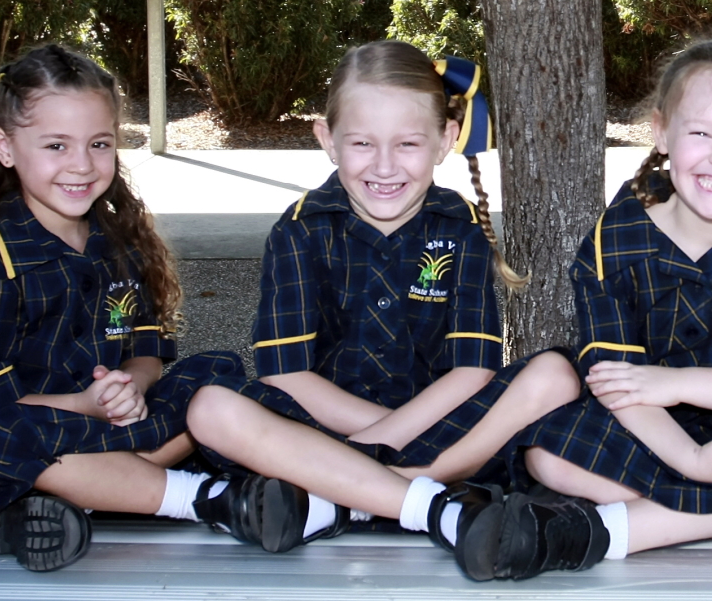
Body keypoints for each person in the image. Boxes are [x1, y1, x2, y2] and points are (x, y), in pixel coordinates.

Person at [461, 37, 712, 581]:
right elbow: (616, 383)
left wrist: (675, 384)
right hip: (647, 427)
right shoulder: (616, 238)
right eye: (701, 133)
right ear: (661, 131)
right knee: (546, 453)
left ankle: (590, 533)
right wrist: (691, 460)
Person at [185, 41, 581, 566]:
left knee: (556, 375)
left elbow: (472, 371)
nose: (386, 166)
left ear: (445, 140)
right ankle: (424, 497)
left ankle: (347, 496)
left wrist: (371, 449)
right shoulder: (300, 229)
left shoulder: (460, 228)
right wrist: (376, 436)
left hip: (437, 422)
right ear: (328, 140)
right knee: (210, 408)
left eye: (408, 144)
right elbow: (286, 374)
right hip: (323, 427)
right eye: (363, 143)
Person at [0, 44, 243, 572]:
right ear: (5, 147)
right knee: (9, 440)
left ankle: (104, 487)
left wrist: (131, 389)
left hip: (123, 425)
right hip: (50, 432)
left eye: (99, 144)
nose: (81, 165)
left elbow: (148, 350)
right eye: (56, 145)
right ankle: (204, 498)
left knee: (221, 372)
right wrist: (88, 406)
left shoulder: (124, 245)